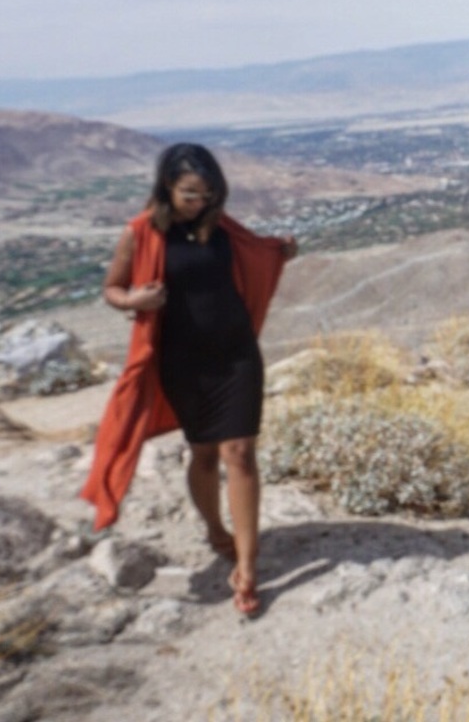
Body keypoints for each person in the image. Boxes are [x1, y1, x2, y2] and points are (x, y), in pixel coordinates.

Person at [80, 143, 296, 617]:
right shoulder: (141, 233)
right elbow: (111, 289)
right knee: (202, 454)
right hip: (183, 362)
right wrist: (134, 301)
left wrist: (281, 251)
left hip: (236, 356)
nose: (200, 203)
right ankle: (216, 529)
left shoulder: (221, 227)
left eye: (209, 194)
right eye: (190, 194)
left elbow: (254, 254)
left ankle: (247, 566)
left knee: (239, 453)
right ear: (166, 188)